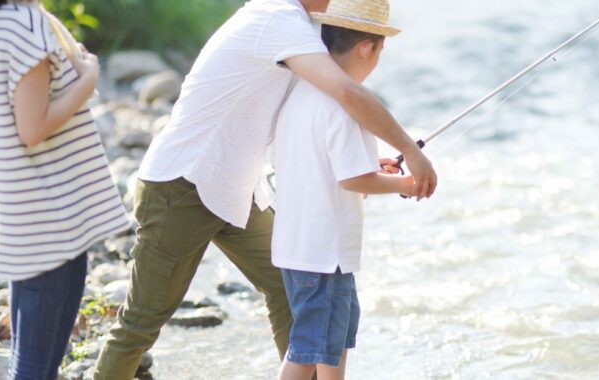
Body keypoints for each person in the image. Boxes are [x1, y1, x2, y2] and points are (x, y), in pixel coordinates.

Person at [93, 0, 438, 377]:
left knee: (288, 288)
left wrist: (362, 165)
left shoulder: (293, 27)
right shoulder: (278, 19)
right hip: (183, 185)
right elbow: (348, 93)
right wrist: (410, 152)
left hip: (233, 189)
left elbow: (304, 126)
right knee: (142, 321)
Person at [0, 0, 131, 378]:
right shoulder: (25, 23)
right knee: (36, 369)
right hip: (53, 219)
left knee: (34, 365)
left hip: (25, 215)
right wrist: (87, 79)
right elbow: (32, 128)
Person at [267, 0, 405, 378]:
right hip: (324, 254)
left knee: (332, 342)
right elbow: (353, 180)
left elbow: (323, 164)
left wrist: (376, 166)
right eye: (380, 49)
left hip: (301, 248)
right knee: (307, 349)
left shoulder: (301, 92)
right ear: (367, 48)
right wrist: (406, 183)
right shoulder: (347, 105)